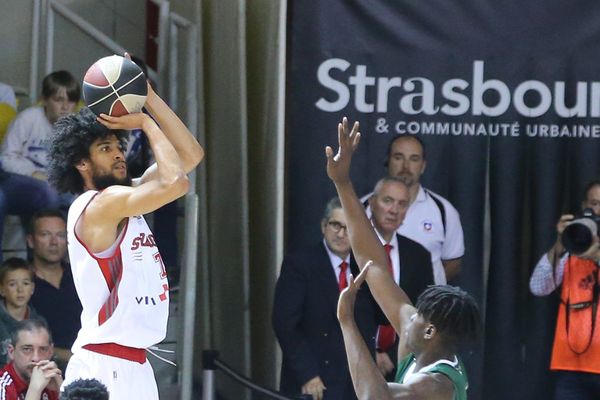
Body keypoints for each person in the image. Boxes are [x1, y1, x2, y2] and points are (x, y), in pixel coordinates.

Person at [47, 68, 204, 399]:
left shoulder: (126, 197)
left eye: (118, 146)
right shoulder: (97, 206)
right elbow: (177, 183)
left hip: (136, 364)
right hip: (103, 364)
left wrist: (148, 97)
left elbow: (191, 156)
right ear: (82, 164)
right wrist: (146, 124)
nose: (119, 153)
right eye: (105, 148)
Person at [326, 117, 480, 399]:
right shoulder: (422, 344)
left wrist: (347, 322)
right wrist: (343, 183)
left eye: (418, 315)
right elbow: (375, 268)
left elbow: (373, 397)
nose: (410, 315)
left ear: (430, 330)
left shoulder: (437, 385)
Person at [272, 197, 378, 400]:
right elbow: (284, 323)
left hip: (356, 383)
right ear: (323, 226)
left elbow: (377, 319)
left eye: (348, 228)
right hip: (315, 382)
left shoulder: (365, 268)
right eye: (335, 225)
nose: (341, 234)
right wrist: (307, 374)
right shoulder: (300, 264)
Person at [529, 180, 600, 399]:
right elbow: (538, 287)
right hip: (572, 366)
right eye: (595, 204)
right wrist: (561, 244)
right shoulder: (573, 248)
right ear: (584, 207)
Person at [362, 134, 464, 284]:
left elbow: (453, 261)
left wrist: (426, 288)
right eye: (398, 157)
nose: (405, 167)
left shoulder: (444, 211)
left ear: (423, 166)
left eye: (414, 159)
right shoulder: (361, 208)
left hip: (423, 305)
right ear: (387, 161)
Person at [0, 71, 80, 260]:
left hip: (59, 186)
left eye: (71, 101)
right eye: (58, 100)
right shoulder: (28, 119)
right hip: (20, 180)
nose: (65, 107)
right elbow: (6, 158)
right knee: (47, 193)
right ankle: (37, 267)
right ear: (44, 99)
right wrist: (34, 173)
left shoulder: (76, 128)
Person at [367, 176, 433, 379]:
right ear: (371, 203)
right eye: (387, 201)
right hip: (354, 363)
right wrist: (371, 354)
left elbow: (424, 311)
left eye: (402, 204)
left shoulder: (419, 255)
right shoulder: (352, 248)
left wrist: (393, 356)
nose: (394, 210)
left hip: (402, 364)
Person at [27, 209, 82, 370]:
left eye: (60, 235)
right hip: (40, 369)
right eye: (45, 234)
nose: (54, 242)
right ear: (30, 241)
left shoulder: (80, 276)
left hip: (89, 365)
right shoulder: (21, 284)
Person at [0, 318, 62, 400]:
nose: (36, 358)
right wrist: (35, 389)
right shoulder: (2, 386)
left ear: (51, 352)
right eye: (27, 349)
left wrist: (62, 390)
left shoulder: (53, 381)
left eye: (43, 349)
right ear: (11, 352)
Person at [0, 257, 40, 365]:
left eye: (25, 283)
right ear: (2, 289)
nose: (20, 290)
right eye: (12, 284)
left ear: (32, 288)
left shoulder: (38, 322)